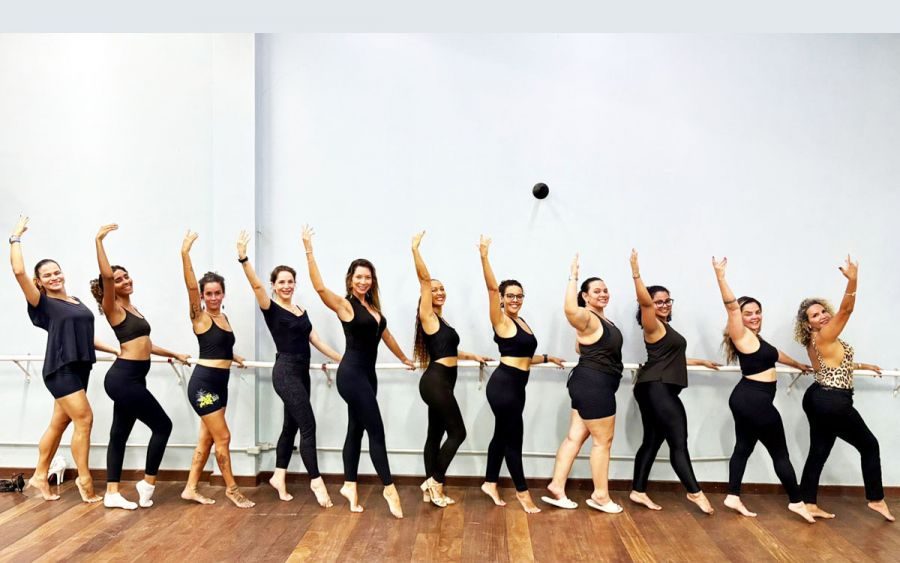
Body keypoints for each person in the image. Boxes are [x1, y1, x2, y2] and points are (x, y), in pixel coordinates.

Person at [302, 225, 412, 518]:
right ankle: (389, 488)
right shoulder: (346, 305)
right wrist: (309, 251)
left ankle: (349, 485)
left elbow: (386, 335)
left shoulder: (373, 307)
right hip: (351, 375)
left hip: (368, 376)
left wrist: (404, 357)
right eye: (359, 277)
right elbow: (320, 288)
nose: (363, 281)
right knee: (377, 431)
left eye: (368, 277)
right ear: (350, 279)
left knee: (356, 429)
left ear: (372, 281)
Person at [9, 216, 115, 503]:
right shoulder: (42, 303)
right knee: (85, 419)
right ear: (39, 282)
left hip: (80, 369)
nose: (54, 277)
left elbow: (84, 337)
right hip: (60, 370)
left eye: (57, 272)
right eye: (47, 275)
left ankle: (39, 476)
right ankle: (85, 480)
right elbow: (18, 271)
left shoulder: (76, 302)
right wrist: (15, 237)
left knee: (59, 424)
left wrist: (116, 350)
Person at [236, 230, 340, 507]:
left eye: (290, 281)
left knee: (290, 426)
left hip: (302, 373)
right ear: (273, 285)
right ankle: (316, 481)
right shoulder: (270, 307)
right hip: (285, 371)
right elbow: (256, 287)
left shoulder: (301, 310)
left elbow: (316, 340)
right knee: (308, 426)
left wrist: (341, 359)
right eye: (281, 282)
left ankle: (278, 476)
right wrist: (244, 259)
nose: (286, 286)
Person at [91, 224, 189, 510]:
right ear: (110, 287)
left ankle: (112, 492)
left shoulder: (133, 309)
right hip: (123, 379)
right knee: (163, 425)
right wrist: (99, 241)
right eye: (118, 279)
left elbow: (145, 343)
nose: (125, 281)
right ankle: (147, 483)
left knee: (119, 434)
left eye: (126, 276)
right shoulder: (113, 308)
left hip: (135, 378)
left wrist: (175, 353)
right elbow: (106, 276)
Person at [712, 256, 814, 522]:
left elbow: (776, 354)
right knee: (780, 453)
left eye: (757, 311)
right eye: (748, 313)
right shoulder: (740, 334)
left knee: (743, 447)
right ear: (740, 318)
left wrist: (798, 364)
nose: (754, 316)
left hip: (747, 399)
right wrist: (721, 276)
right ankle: (797, 502)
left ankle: (733, 495)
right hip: (754, 400)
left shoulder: (756, 338)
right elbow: (731, 307)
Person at [794, 256, 894, 522]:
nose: (823, 316)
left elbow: (830, 366)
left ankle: (808, 502)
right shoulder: (825, 335)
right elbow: (846, 310)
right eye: (815, 315)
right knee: (869, 445)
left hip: (817, 396)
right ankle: (876, 499)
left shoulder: (816, 340)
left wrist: (861, 365)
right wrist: (853, 280)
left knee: (819, 450)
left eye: (823, 311)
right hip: (832, 400)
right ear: (808, 324)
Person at [478, 235, 565, 514]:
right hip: (503, 386)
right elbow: (491, 288)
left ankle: (490, 482)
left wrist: (547, 358)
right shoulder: (501, 320)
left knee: (501, 436)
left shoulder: (522, 321)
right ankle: (523, 493)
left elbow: (524, 356)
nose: (515, 300)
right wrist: (484, 257)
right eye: (510, 296)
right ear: (502, 299)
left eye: (519, 296)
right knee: (514, 440)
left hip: (518, 386)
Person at [629, 249, 718, 514]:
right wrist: (636, 273)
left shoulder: (666, 329)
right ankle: (695, 492)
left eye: (668, 300)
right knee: (678, 441)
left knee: (652, 440)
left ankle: (638, 491)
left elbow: (670, 358)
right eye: (658, 301)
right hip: (657, 387)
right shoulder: (652, 325)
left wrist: (701, 362)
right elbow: (645, 304)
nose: (664, 305)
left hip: (652, 386)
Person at [411, 231, 490, 507]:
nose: (439, 292)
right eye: (434, 289)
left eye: (442, 288)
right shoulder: (427, 316)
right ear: (425, 296)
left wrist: (472, 356)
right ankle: (435, 481)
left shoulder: (441, 323)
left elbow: (448, 352)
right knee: (458, 433)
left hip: (443, 381)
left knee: (435, 435)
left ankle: (432, 490)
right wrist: (415, 250)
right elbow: (423, 279)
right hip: (435, 382)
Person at [179, 230, 254, 508]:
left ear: (223, 294)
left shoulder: (224, 317)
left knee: (207, 439)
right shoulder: (199, 317)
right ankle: (232, 489)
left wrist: (234, 356)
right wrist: (185, 254)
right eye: (208, 293)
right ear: (202, 296)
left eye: (217, 293)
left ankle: (190, 488)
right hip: (203, 384)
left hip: (221, 382)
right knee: (223, 436)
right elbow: (190, 286)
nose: (213, 297)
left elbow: (218, 347)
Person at [543, 254, 622, 513]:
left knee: (574, 437)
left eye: (605, 290)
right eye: (596, 291)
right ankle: (600, 496)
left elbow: (581, 348)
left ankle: (557, 486)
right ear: (585, 296)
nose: (603, 294)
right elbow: (569, 310)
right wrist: (573, 276)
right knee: (603, 441)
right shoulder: (587, 317)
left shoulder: (600, 321)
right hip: (594, 385)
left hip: (588, 383)